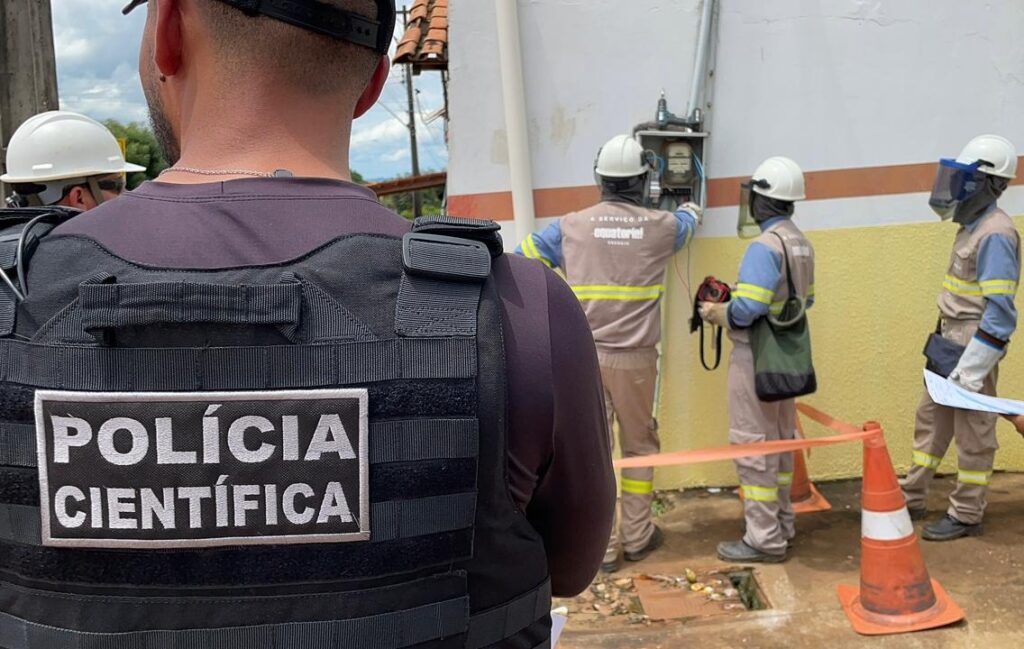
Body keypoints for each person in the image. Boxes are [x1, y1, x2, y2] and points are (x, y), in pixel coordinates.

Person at [0, 1, 615, 646]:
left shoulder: (16, 296)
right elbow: (570, 568)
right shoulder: (519, 313)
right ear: (374, 81)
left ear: (169, 36)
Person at [516, 134, 701, 573]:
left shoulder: (570, 226)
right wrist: (690, 203)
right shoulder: (663, 226)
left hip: (582, 358)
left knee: (588, 453)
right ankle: (637, 537)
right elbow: (691, 221)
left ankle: (599, 550)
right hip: (637, 360)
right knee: (639, 450)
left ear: (599, 178)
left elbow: (524, 258)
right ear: (643, 181)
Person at [901, 134, 1020, 542]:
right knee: (931, 422)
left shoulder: (996, 234)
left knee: (974, 432)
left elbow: (1001, 316)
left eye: (968, 180)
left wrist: (971, 371)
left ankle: (967, 513)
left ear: (991, 185)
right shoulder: (973, 226)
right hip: (948, 338)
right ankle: (912, 497)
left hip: (974, 344)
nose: (956, 187)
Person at [699, 156, 815, 564]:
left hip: (754, 357)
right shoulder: (799, 242)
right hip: (784, 359)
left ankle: (764, 539)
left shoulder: (763, 247)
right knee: (781, 444)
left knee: (752, 447)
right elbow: (805, 299)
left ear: (763, 201)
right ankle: (782, 524)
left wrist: (717, 312)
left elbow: (748, 309)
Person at [2, 110, 143, 209]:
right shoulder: (96, 250)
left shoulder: (9, 247)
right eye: (117, 185)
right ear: (79, 198)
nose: (126, 193)